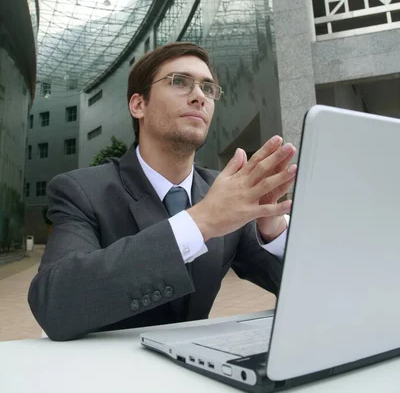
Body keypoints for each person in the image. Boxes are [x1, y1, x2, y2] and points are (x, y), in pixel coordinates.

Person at [28, 42, 296, 341]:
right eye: (179, 82)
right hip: (107, 377)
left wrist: (273, 235)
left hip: (197, 374)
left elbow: (303, 292)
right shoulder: (81, 191)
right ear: (138, 105)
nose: (199, 96)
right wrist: (200, 222)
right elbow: (55, 305)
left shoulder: (222, 192)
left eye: (208, 88)